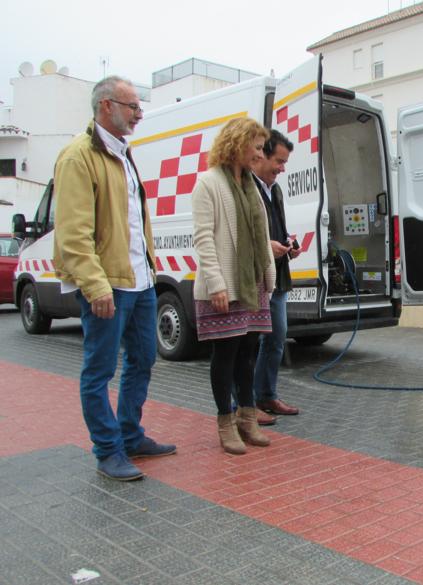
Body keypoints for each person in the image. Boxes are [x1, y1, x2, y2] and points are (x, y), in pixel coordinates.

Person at [53, 76, 176, 482]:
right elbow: (73, 233)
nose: (139, 113)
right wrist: (95, 284)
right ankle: (108, 450)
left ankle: (130, 434)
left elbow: (134, 223)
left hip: (139, 283)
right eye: (132, 106)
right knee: (99, 370)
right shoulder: (78, 156)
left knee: (144, 358)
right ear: (106, 106)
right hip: (107, 285)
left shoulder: (124, 154)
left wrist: (152, 269)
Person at [192, 117, 276, 455]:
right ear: (237, 144)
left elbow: (259, 233)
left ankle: (246, 417)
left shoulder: (251, 184)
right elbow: (203, 238)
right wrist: (216, 283)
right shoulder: (208, 183)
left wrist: (267, 275)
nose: (260, 152)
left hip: (251, 283)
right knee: (225, 355)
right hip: (224, 284)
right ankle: (225, 422)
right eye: (255, 146)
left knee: (248, 354)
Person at [250, 130, 301, 423]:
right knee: (248, 344)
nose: (282, 168)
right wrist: (266, 247)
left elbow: (277, 229)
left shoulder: (276, 190)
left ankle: (266, 395)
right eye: (279, 162)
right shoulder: (246, 187)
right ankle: (244, 405)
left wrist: (288, 245)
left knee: (276, 338)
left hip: (278, 278)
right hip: (254, 279)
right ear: (261, 156)